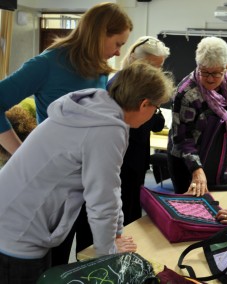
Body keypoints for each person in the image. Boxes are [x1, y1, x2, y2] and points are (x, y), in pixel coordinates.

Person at [0, 61, 174, 284]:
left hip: (12, 215)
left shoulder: (95, 107)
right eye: (156, 107)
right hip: (19, 231)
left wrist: (116, 235)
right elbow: (102, 197)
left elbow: (110, 188)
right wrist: (109, 254)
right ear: (144, 104)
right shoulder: (107, 129)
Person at [0, 2, 133, 266]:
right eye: (117, 43)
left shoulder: (98, 70)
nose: (119, 52)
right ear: (99, 33)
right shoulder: (46, 64)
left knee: (84, 256)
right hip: (50, 188)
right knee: (53, 260)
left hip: (84, 183)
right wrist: (19, 151)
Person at [167, 36, 227, 195]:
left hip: (213, 152)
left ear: (226, 66)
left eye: (216, 73)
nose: (210, 79)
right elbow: (182, 139)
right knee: (191, 206)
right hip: (186, 159)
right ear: (198, 65)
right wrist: (196, 169)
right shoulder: (186, 94)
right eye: (204, 72)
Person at [107, 36, 170, 224]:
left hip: (137, 156)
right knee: (120, 210)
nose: (156, 72)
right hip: (121, 157)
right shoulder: (119, 84)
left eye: (160, 67)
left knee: (133, 209)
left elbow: (156, 123)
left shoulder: (142, 83)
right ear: (135, 59)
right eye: (152, 66)